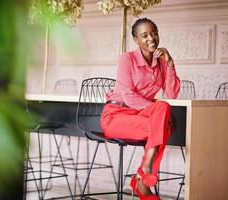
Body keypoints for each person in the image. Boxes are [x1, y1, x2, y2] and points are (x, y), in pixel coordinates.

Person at [100, 18, 180, 200]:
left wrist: (170, 64)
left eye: (154, 33)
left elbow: (172, 93)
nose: (151, 38)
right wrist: (161, 113)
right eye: (144, 35)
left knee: (164, 106)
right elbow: (128, 96)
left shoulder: (161, 61)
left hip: (140, 116)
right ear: (136, 40)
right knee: (162, 120)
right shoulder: (126, 59)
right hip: (116, 116)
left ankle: (145, 170)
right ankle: (143, 179)